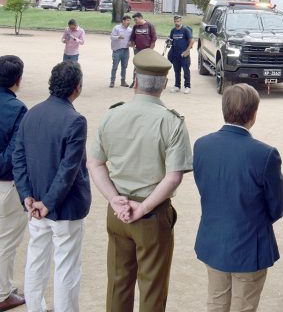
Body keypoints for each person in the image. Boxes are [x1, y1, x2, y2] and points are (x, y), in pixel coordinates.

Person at [87, 49, 193, 312]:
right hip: (151, 213)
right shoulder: (172, 122)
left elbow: (95, 163)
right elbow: (173, 177)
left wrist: (114, 200)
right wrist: (143, 208)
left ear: (135, 79)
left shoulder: (112, 115)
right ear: (165, 84)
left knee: (118, 283)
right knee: (152, 288)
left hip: (118, 210)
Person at [193, 84, 283, 311]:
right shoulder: (265, 153)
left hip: (213, 237)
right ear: (253, 115)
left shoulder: (202, 145)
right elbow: (276, 206)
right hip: (249, 241)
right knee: (244, 305)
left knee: (216, 301)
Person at [12, 61, 90, 312]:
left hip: (35, 203)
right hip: (63, 207)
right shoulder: (75, 120)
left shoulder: (32, 112)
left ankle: (35, 308)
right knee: (66, 265)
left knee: (36, 260)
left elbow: (19, 158)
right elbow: (69, 170)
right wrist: (47, 202)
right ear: (77, 88)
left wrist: (27, 196)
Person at [0, 56, 27, 311]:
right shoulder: (17, 108)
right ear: (18, 80)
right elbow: (13, 156)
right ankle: (1, 294)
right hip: (5, 184)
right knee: (6, 241)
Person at [167, 14, 194, 94]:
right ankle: (177, 86)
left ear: (181, 21)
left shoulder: (185, 30)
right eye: (175, 21)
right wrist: (168, 42)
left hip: (184, 54)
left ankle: (187, 86)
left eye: (178, 21)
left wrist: (187, 51)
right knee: (176, 71)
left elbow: (192, 41)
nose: (177, 22)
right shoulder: (173, 30)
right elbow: (171, 40)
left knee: (186, 71)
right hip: (175, 54)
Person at [110, 15, 132, 88]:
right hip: (117, 50)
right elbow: (111, 37)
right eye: (127, 20)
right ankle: (112, 81)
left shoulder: (130, 30)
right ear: (123, 21)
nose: (129, 22)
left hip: (126, 50)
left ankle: (123, 81)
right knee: (115, 66)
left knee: (124, 66)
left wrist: (131, 43)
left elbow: (131, 39)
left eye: (129, 20)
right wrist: (118, 37)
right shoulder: (116, 28)